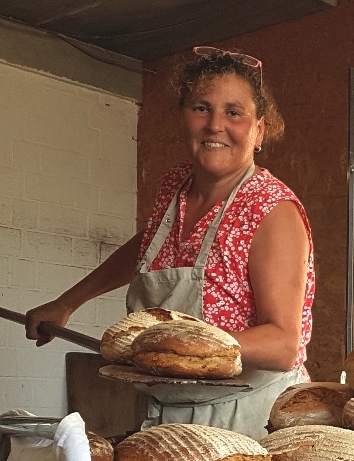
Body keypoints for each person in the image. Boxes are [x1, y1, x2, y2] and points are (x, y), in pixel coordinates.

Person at [25, 47, 315, 440]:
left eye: (234, 112)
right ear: (183, 119)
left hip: (245, 419)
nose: (215, 125)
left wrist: (185, 346)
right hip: (166, 412)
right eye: (201, 108)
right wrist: (68, 302)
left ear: (259, 130)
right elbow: (145, 248)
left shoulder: (270, 210)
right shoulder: (177, 185)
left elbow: (283, 344)